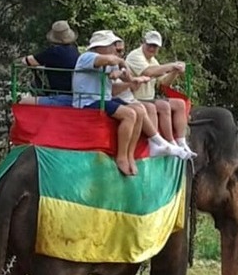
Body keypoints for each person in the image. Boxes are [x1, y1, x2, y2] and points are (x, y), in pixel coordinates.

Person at [73, 30, 187, 176]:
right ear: (102, 46)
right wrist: (120, 63)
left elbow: (125, 79)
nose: (116, 48)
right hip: (88, 100)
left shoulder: (110, 59)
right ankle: (122, 156)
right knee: (129, 114)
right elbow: (113, 61)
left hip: (105, 98)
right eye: (113, 45)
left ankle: (131, 155)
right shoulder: (88, 57)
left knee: (139, 109)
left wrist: (130, 78)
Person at [126, 31, 194, 156]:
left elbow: (163, 84)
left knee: (180, 104)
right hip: (134, 98)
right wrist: (171, 65)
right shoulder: (135, 56)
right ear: (143, 43)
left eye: (155, 46)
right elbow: (148, 72)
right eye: (149, 45)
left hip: (149, 98)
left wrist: (175, 71)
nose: (151, 48)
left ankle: (181, 142)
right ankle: (168, 142)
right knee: (163, 106)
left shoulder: (153, 60)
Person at [19, 20, 80, 106]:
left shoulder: (53, 52)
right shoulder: (74, 50)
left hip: (60, 95)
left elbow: (29, 61)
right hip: (75, 94)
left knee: (23, 102)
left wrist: (24, 59)